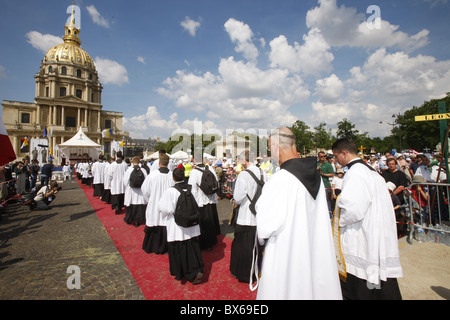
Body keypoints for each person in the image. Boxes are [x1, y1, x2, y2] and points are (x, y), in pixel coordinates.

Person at [254, 127, 342, 300]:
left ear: (276, 145)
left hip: (288, 258)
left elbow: (265, 228)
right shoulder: (316, 175)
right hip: (314, 251)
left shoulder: (280, 180)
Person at [333, 138, 403, 300]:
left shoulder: (355, 173)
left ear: (344, 153)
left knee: (360, 285)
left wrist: (337, 222)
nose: (336, 160)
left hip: (362, 235)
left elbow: (353, 209)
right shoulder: (372, 171)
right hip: (377, 232)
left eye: (336, 156)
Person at [158, 168, 204, 284]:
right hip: (192, 224)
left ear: (173, 178)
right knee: (192, 247)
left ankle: (182, 272)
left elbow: (163, 208)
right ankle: (196, 269)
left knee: (180, 248)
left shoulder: (170, 191)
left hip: (177, 226)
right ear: (184, 177)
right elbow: (198, 203)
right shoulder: (192, 189)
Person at [230, 150, 267, 283]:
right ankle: (256, 270)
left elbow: (238, 197)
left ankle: (243, 273)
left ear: (245, 160)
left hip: (246, 215)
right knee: (256, 245)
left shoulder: (244, 174)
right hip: (259, 214)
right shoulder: (263, 172)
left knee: (243, 246)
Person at [141, 153, 174, 254]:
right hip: (168, 206)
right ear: (168, 163)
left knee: (155, 224)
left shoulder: (152, 175)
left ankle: (153, 246)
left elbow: (145, 190)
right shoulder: (172, 176)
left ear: (159, 163)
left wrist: (150, 199)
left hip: (155, 204)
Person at [188, 154, 221, 250]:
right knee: (211, 221)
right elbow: (216, 182)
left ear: (194, 160)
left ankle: (205, 244)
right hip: (211, 198)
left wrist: (194, 202)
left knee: (204, 223)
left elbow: (192, 188)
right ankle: (213, 240)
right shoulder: (210, 168)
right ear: (203, 159)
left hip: (201, 200)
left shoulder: (194, 172)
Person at [123, 156, 148, 227]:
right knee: (139, 206)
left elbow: (125, 182)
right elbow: (146, 181)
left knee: (131, 206)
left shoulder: (129, 170)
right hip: (140, 192)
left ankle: (130, 219)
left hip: (131, 191)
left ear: (133, 162)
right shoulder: (143, 170)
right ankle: (138, 220)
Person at [317, 151, 335, 217]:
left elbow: (332, 174)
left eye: (324, 156)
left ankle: (329, 214)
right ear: (318, 157)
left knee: (327, 199)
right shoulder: (316, 163)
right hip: (316, 185)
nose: (323, 157)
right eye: (322, 156)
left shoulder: (328, 165)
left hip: (325, 184)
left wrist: (323, 174)